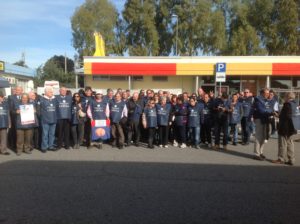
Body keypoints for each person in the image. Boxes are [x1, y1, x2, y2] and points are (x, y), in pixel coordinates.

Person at [272, 92, 298, 166]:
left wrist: (278, 115)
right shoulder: (295, 104)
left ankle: (281, 158)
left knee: (282, 144)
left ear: (288, 97)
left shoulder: (287, 104)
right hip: (292, 127)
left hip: (285, 127)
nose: (284, 98)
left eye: (285, 96)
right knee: (290, 144)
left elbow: (286, 116)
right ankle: (291, 159)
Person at [252, 88, 274, 160]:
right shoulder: (258, 100)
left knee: (264, 136)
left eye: (268, 93)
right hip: (259, 119)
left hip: (266, 119)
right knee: (259, 137)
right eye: (266, 93)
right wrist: (271, 113)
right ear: (262, 93)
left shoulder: (266, 100)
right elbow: (261, 111)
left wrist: (272, 112)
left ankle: (260, 152)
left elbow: (269, 108)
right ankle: (256, 154)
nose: (268, 94)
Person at [38, 87, 57, 153]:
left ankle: (50, 146)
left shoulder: (54, 99)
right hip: (45, 120)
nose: (52, 93)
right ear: (46, 92)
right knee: (45, 134)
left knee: (52, 134)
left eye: (52, 92)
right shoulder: (41, 99)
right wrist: (41, 117)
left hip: (53, 119)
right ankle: (44, 147)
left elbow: (57, 109)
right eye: (50, 92)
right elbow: (39, 110)